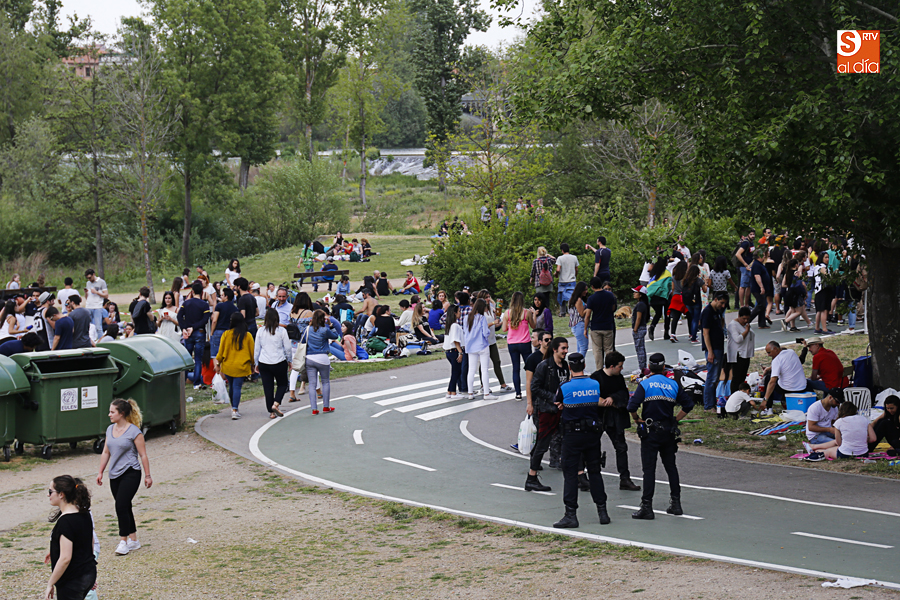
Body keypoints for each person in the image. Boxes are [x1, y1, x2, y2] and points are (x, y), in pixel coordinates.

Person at [628, 352, 694, 519]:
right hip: (668, 431)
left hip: (650, 432)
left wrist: (637, 419)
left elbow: (632, 406)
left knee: (649, 470)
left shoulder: (645, 384)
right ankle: (676, 504)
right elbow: (688, 404)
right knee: (671, 467)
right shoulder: (673, 384)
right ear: (664, 367)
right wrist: (675, 420)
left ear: (649, 367)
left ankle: (647, 507)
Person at [552, 352, 611, 529]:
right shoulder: (595, 384)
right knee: (594, 472)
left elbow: (558, 403)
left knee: (570, 474)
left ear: (569, 367)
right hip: (593, 434)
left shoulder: (565, 387)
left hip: (572, 435)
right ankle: (603, 512)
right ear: (584, 365)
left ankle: (571, 515)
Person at [96, 398, 152, 556]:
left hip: (131, 472)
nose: (109, 414)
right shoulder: (110, 430)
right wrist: (100, 472)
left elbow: (143, 455)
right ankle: (134, 540)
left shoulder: (134, 432)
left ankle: (123, 541)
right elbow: (106, 452)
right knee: (125, 505)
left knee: (120, 505)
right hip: (114, 474)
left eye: (112, 412)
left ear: (121, 413)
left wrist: (148, 476)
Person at [592, 350, 641, 491]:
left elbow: (624, 394)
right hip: (599, 416)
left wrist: (613, 398)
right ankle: (586, 476)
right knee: (592, 447)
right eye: (620, 366)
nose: (622, 369)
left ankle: (625, 478)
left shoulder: (618, 378)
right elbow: (593, 397)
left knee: (621, 447)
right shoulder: (596, 378)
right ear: (612, 366)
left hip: (614, 417)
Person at [525, 337, 569, 491]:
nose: (566, 351)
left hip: (560, 410)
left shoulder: (564, 366)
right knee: (542, 444)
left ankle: (579, 476)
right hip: (546, 410)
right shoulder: (544, 366)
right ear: (555, 349)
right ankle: (531, 477)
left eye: (566, 348)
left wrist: (564, 400)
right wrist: (554, 399)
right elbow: (535, 387)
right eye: (563, 348)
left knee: (568, 440)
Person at [45, 475, 97, 600]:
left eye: (50, 492)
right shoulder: (84, 514)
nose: (48, 495)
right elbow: (88, 544)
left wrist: (50, 583)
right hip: (87, 574)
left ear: (61, 494)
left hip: (72, 580)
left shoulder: (66, 522)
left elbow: (65, 558)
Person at [255, 308, 292, 419]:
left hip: (264, 361)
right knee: (282, 384)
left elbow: (257, 349)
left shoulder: (260, 331)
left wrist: (256, 362)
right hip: (279, 360)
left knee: (268, 387)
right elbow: (288, 348)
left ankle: (271, 411)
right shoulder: (281, 331)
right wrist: (289, 360)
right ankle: (276, 403)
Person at [216, 313, 254, 420]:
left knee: (232, 387)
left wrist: (218, 363)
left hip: (228, 366)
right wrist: (253, 364)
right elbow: (252, 353)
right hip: (241, 366)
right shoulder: (247, 335)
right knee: (237, 387)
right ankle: (235, 409)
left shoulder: (226, 334)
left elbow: (221, 351)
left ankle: (233, 407)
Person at [805, 401, 874, 460]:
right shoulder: (864, 419)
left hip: (845, 454)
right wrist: (864, 439)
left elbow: (839, 443)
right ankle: (813, 447)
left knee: (828, 451)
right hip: (864, 453)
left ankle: (816, 450)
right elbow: (873, 439)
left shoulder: (839, 422)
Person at [301, 309, 338, 414]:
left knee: (312, 384)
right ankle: (326, 406)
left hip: (310, 357)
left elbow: (303, 341)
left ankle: (314, 408)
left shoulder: (307, 329)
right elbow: (335, 336)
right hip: (322, 357)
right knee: (325, 382)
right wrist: (330, 325)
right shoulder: (324, 330)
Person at [500, 292, 534, 401]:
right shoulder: (526, 313)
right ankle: (532, 390)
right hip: (525, 342)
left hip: (512, 343)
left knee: (516, 368)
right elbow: (533, 326)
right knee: (530, 368)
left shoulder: (507, 313)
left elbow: (504, 329)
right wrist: (534, 315)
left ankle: (518, 393)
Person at [178, 281, 211, 390]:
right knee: (198, 359)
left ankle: (184, 379)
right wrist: (195, 327)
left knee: (187, 358)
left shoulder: (186, 303)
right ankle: (197, 383)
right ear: (202, 292)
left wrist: (184, 327)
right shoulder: (204, 304)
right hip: (199, 332)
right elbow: (205, 319)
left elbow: (179, 316)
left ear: (192, 291)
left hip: (188, 332)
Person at [761, 341, 808, 413]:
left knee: (768, 378)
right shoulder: (791, 352)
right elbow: (787, 364)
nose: (768, 355)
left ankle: (768, 408)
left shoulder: (776, 360)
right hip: (802, 386)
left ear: (776, 349)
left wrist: (765, 399)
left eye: (769, 352)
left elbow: (772, 382)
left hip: (788, 388)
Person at [583, 276, 617, 373]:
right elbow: (613, 308)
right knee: (609, 349)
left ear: (592, 287)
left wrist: (585, 328)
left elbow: (588, 314)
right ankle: (611, 368)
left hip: (596, 326)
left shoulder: (591, 298)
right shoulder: (610, 296)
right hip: (608, 325)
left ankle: (599, 370)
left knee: (597, 349)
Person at [701, 292, 727, 410]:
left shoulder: (717, 311)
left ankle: (712, 402)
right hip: (713, 349)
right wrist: (710, 351)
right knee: (711, 377)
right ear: (716, 299)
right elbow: (705, 333)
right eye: (721, 303)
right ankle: (708, 405)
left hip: (719, 347)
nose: (723, 306)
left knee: (715, 377)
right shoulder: (707, 312)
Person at [463, 299, 494, 399]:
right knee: (484, 370)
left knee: (471, 370)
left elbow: (465, 332)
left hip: (471, 346)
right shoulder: (481, 318)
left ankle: (470, 393)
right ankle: (486, 393)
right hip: (482, 345)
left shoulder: (466, 318)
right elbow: (485, 332)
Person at [288, 293, 315, 401]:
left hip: (294, 343)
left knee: (295, 369)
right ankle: (317, 391)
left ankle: (292, 392)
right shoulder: (308, 313)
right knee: (312, 367)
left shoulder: (292, 313)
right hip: (305, 343)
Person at [725, 307, 755, 394]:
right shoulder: (733, 325)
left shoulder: (745, 325)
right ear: (739, 316)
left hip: (746, 354)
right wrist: (746, 331)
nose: (745, 321)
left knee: (742, 377)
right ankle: (734, 395)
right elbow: (737, 339)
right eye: (743, 318)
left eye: (747, 319)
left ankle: (741, 394)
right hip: (738, 355)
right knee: (737, 377)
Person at [646, 257, 673, 341]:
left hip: (653, 296)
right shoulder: (667, 273)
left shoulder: (654, 273)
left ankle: (652, 327)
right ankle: (666, 333)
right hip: (663, 296)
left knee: (658, 313)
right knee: (667, 314)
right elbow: (669, 286)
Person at [442, 304, 465, 399]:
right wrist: (460, 352)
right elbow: (455, 340)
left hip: (449, 351)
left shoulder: (450, 325)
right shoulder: (455, 325)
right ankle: (452, 392)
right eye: (459, 311)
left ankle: (450, 391)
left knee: (455, 372)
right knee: (456, 372)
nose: (460, 313)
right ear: (455, 313)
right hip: (454, 350)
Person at [748, 248, 773, 329]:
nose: (764, 256)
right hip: (757, 288)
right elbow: (757, 276)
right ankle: (747, 320)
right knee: (760, 305)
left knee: (763, 305)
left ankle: (762, 323)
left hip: (761, 288)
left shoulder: (759, 264)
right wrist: (761, 287)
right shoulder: (756, 265)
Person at [812, 253, 836, 334]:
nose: (827, 259)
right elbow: (827, 276)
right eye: (826, 257)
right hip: (823, 289)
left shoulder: (816, 267)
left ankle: (817, 328)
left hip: (818, 290)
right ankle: (824, 329)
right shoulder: (822, 267)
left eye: (828, 257)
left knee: (819, 310)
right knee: (824, 310)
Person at [680, 265, 705, 343]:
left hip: (687, 301)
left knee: (691, 318)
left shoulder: (685, 280)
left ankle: (691, 334)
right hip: (696, 301)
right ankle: (694, 337)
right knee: (695, 319)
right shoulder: (698, 280)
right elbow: (705, 290)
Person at [555, 243, 579, 317]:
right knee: (572, 297)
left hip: (562, 281)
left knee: (562, 298)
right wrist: (575, 275)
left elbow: (558, 269)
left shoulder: (560, 258)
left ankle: (562, 313)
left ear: (562, 250)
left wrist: (555, 273)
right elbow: (576, 269)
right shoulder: (574, 257)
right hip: (572, 280)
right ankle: (572, 311)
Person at [83, 269, 109, 338]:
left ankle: (100, 341)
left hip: (97, 306)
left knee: (98, 327)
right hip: (89, 306)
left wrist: (96, 292)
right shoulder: (88, 283)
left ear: (93, 275)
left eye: (90, 277)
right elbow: (87, 297)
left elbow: (106, 295)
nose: (89, 279)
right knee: (89, 326)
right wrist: (86, 293)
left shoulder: (101, 282)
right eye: (87, 278)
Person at [567, 282, 589, 357]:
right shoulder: (578, 300)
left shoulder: (574, 299)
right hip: (579, 325)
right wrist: (589, 308)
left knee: (579, 348)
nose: (586, 291)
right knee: (583, 348)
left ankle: (578, 365)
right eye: (585, 290)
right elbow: (582, 313)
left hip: (576, 325)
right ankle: (578, 365)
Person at [735, 229, 755, 308]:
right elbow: (738, 254)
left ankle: (747, 304)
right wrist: (745, 264)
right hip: (744, 268)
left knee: (749, 286)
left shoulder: (751, 243)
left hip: (750, 267)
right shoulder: (745, 243)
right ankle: (742, 305)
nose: (752, 236)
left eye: (753, 234)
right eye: (750, 234)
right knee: (742, 286)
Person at [631, 285, 649, 373]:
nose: (634, 294)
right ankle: (642, 366)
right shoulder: (643, 304)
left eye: (636, 292)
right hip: (641, 328)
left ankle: (642, 368)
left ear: (641, 294)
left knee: (640, 349)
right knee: (640, 348)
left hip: (639, 329)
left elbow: (638, 318)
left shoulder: (640, 305)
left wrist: (635, 328)